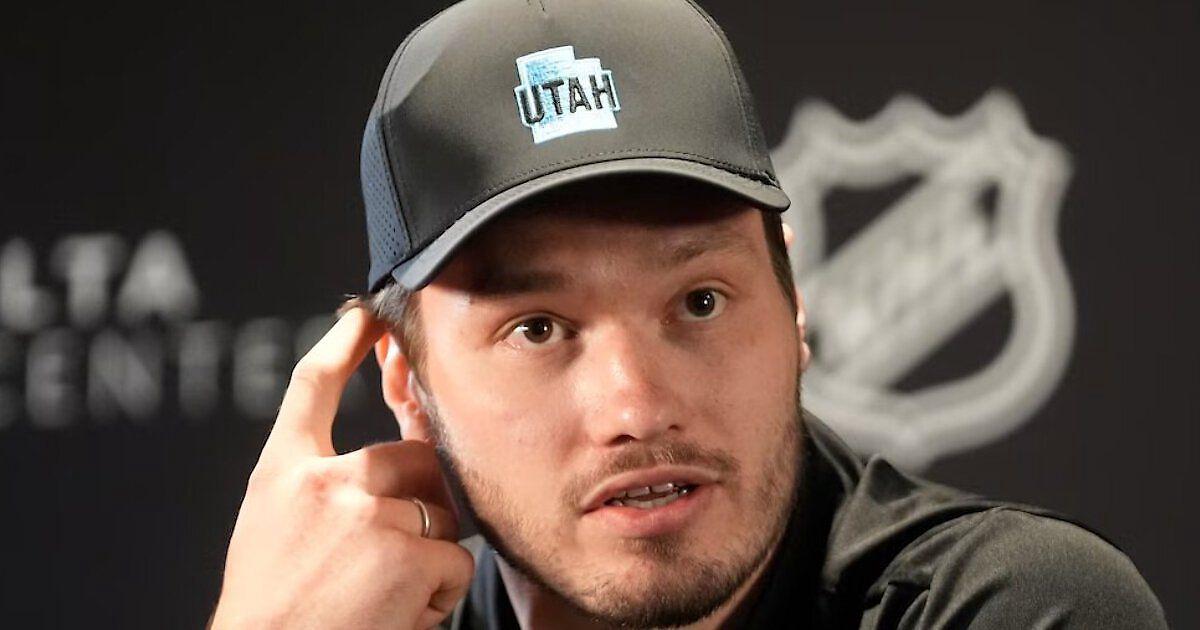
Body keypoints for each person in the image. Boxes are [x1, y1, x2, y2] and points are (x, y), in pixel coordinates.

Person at [210, 0, 1167, 627]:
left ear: (793, 305)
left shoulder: (1006, 607)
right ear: (408, 386)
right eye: (538, 328)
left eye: (699, 302)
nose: (637, 406)